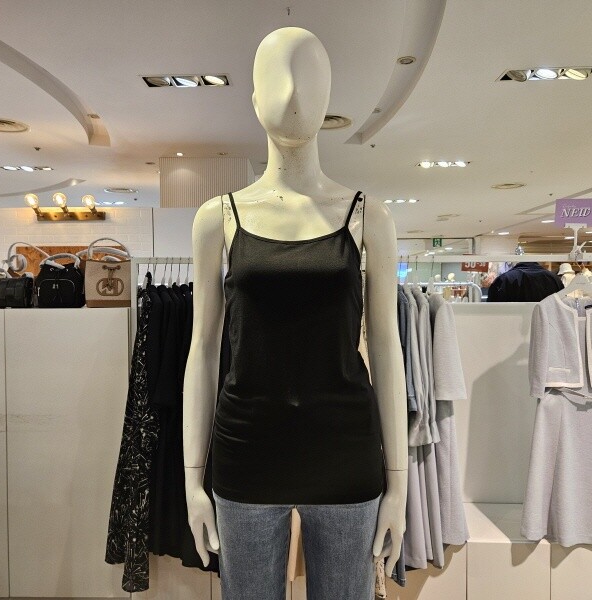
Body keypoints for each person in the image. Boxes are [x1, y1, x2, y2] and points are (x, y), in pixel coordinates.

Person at [182, 27, 407, 600]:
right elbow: (202, 349)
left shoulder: (368, 216)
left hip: (346, 452)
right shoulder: (218, 217)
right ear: (254, 98)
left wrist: (400, 485)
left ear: (330, 99)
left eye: (309, 78)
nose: (293, 94)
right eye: (276, 78)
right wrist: (191, 478)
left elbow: (387, 346)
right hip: (246, 451)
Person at [487, 262, 563, 302]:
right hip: (547, 325)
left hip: (511, 325)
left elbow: (491, 311)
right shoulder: (554, 279)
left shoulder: (504, 280)